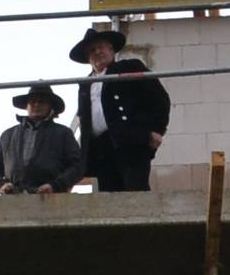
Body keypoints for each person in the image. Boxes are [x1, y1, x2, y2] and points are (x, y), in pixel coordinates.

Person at [69, 19, 171, 192]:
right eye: (92, 50)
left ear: (111, 49)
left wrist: (157, 128)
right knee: (109, 194)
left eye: (101, 47)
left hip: (130, 140)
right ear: (88, 57)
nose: (97, 52)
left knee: (135, 188)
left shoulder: (129, 67)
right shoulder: (85, 84)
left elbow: (158, 97)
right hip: (100, 148)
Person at [0, 82, 84, 198]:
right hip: (13, 200)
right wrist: (0, 185)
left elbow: (78, 167)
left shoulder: (64, 133)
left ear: (50, 106)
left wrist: (55, 186)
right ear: (26, 106)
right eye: (32, 102)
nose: (36, 104)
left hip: (51, 200)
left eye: (41, 101)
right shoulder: (7, 135)